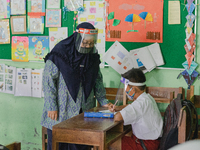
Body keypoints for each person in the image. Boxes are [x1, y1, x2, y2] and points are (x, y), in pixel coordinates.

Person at [41, 22, 113, 150]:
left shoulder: (92, 56)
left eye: (91, 43)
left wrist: (103, 101)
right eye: (85, 43)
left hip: (83, 109)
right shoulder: (60, 52)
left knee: (80, 144)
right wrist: (51, 106)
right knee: (59, 144)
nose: (88, 46)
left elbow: (97, 79)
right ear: (77, 38)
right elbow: (48, 81)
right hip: (61, 110)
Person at [109, 68, 163, 150]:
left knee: (109, 142)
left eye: (125, 87)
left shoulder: (140, 104)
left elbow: (117, 117)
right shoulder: (146, 97)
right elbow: (131, 106)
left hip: (146, 144)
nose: (125, 90)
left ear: (133, 89)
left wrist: (117, 113)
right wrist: (117, 108)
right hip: (150, 140)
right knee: (122, 134)